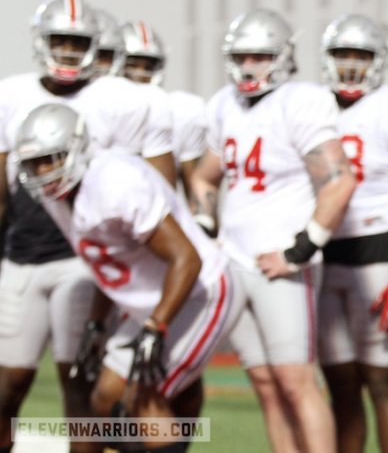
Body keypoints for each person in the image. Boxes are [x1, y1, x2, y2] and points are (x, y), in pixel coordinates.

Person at [14, 103, 243, 453]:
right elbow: (110, 264)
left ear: (76, 149)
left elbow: (187, 259)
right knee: (105, 399)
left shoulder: (115, 182)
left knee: (141, 399)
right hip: (152, 301)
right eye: (35, 162)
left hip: (200, 292)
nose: (44, 171)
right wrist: (96, 323)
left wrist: (156, 326)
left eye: (53, 158)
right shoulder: (58, 197)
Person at [0, 0, 175, 453]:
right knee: (6, 385)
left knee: (79, 383)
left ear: (95, 45)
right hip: (21, 253)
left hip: (85, 260)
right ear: (41, 42)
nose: (67, 51)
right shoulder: (11, 93)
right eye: (59, 40)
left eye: (77, 42)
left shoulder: (120, 99)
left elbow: (157, 186)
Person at [191, 8, 356, 453]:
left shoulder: (301, 100)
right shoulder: (223, 103)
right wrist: (207, 224)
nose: (249, 65)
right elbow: (204, 175)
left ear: (281, 57)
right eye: (242, 55)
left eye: (260, 56)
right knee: (264, 383)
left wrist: (300, 250)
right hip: (236, 260)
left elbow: (339, 182)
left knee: (295, 379)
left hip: (280, 264)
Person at [317, 14, 388, 453]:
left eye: (361, 55)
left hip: (378, 250)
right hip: (324, 254)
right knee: (340, 382)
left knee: (382, 378)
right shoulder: (312, 106)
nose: (350, 64)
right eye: (342, 54)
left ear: (378, 61)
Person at [120, 20, 207, 196]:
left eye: (148, 66)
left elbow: (197, 190)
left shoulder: (181, 112)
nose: (141, 74)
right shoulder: (97, 108)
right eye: (132, 64)